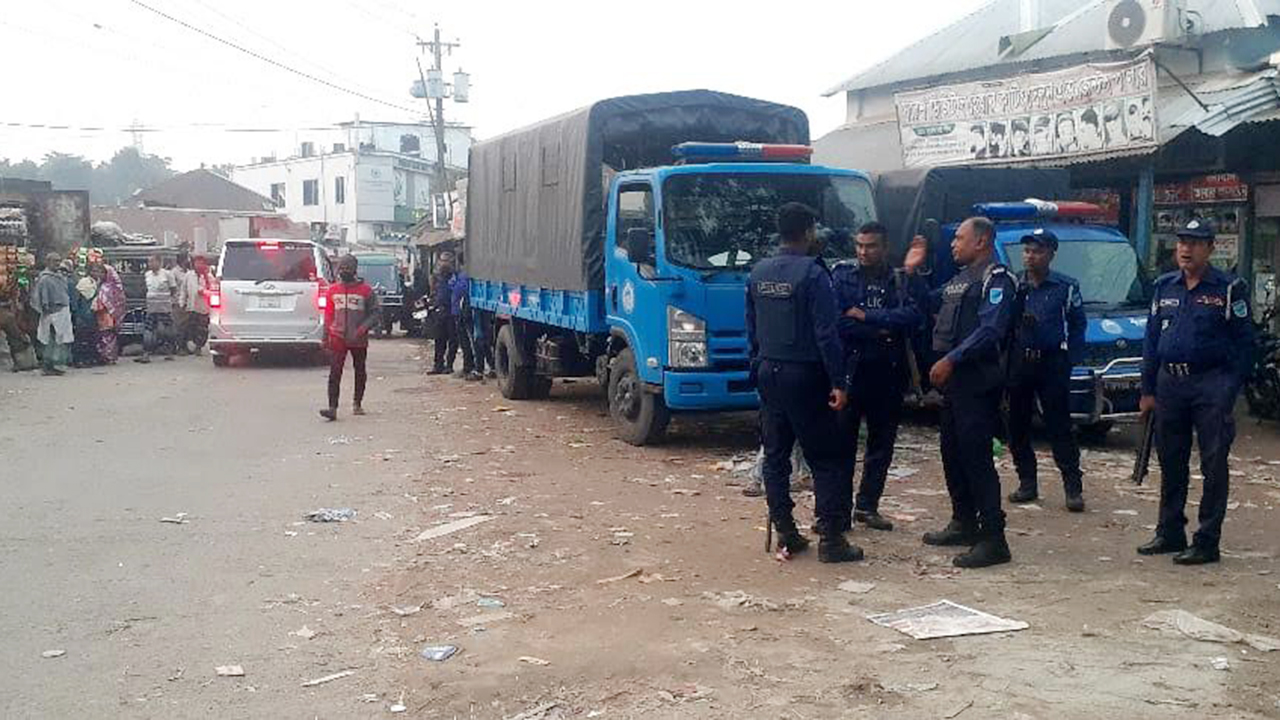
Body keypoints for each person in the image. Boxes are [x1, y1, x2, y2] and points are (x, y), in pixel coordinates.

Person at [746, 202, 862, 563]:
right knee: (825, 457)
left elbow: (751, 329)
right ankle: (831, 539)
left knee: (776, 457)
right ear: (809, 231)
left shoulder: (758, 272)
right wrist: (839, 382)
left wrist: (758, 366)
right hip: (805, 375)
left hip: (768, 371)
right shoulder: (814, 274)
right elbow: (827, 334)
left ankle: (786, 533)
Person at [1137, 219, 1255, 565]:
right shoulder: (1165, 287)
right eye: (1182, 242)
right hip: (1170, 383)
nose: (1186, 249)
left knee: (1213, 462)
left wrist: (1229, 388)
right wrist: (1147, 389)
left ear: (1210, 248)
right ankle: (1170, 530)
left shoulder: (1229, 288)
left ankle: (1206, 539)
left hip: (1211, 384)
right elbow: (1151, 341)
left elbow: (1245, 344)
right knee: (1170, 459)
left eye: (1195, 243)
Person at [910, 216, 1018, 568]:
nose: (953, 244)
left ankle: (993, 538)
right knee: (952, 454)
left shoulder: (997, 279)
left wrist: (952, 360)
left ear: (982, 241)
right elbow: (926, 303)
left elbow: (992, 329)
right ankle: (963, 522)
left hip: (978, 382)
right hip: (954, 385)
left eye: (959, 238)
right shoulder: (959, 280)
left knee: (977, 459)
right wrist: (914, 271)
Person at [831, 222, 926, 532]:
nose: (863, 251)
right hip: (850, 373)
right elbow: (838, 322)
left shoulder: (898, 279)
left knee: (881, 445)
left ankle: (867, 506)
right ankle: (838, 511)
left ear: (885, 247)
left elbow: (914, 317)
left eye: (870, 246)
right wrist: (884, 327)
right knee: (841, 446)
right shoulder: (842, 276)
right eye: (859, 245)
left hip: (888, 373)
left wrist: (868, 317)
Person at [1005, 229, 1087, 511]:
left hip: (1052, 362)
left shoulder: (1066, 286)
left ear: (1051, 254)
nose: (1030, 256)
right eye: (1027, 250)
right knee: (1016, 425)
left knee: (1059, 426)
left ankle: (1072, 487)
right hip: (1019, 362)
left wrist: (1070, 360)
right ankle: (1027, 482)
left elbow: (1078, 324)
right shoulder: (1014, 284)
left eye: (1037, 251)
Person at [319, 254, 381, 421]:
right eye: (342, 268)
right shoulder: (333, 290)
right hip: (337, 338)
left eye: (348, 268)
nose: (344, 271)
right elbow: (328, 315)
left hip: (358, 340)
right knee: (334, 373)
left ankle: (357, 403)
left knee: (360, 370)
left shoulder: (366, 291)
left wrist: (362, 329)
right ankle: (332, 407)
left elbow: (375, 314)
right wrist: (325, 336)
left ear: (355, 270)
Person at [31, 252, 74, 376]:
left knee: (61, 339)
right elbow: (41, 296)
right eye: (54, 261)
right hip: (51, 313)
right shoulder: (45, 278)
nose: (57, 263)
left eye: (58, 261)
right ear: (48, 262)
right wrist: (46, 309)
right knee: (50, 339)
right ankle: (48, 365)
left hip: (62, 312)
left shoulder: (59, 276)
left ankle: (58, 364)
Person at [137, 254, 177, 364]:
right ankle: (146, 354)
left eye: (152, 261)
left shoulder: (167, 274)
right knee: (149, 330)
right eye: (149, 262)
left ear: (159, 262)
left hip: (164, 307)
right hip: (151, 307)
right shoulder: (147, 275)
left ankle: (170, 352)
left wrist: (170, 301)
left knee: (167, 331)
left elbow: (173, 290)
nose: (150, 264)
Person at [428, 253, 457, 375]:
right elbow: (433, 293)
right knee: (439, 340)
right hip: (440, 311)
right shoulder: (436, 277)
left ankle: (449, 365)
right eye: (442, 260)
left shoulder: (455, 277)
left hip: (452, 312)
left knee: (453, 340)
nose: (444, 263)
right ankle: (438, 365)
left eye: (447, 261)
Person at [92, 263, 126, 364]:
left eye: (102, 272)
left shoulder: (112, 286)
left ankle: (109, 356)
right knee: (103, 336)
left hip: (109, 315)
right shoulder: (100, 285)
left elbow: (117, 301)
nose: (100, 274)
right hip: (101, 314)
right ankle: (104, 355)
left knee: (109, 336)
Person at [449, 259, 477, 380]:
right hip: (458, 311)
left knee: (466, 341)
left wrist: (453, 283)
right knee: (464, 341)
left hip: (463, 312)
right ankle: (469, 366)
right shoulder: (460, 275)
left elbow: (459, 289)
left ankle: (469, 367)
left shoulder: (464, 276)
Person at [183, 256, 214, 357]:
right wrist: (182, 303)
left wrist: (204, 292)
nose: (198, 265)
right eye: (197, 263)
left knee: (202, 329)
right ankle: (187, 346)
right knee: (190, 327)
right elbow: (183, 290)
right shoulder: (189, 275)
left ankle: (199, 347)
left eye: (201, 263)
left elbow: (213, 291)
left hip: (204, 308)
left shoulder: (209, 277)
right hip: (191, 306)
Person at [70, 265, 100, 367]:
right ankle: (78, 360)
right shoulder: (84, 282)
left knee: (91, 338)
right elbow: (76, 299)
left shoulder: (98, 283)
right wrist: (76, 313)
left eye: (98, 271)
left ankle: (90, 359)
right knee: (81, 338)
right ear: (89, 272)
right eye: (94, 271)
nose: (96, 273)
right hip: (82, 314)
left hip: (93, 315)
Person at [171, 255, 191, 355]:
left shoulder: (188, 272)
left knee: (187, 327)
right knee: (179, 326)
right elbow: (173, 289)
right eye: (186, 259)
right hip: (178, 303)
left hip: (188, 303)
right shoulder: (174, 272)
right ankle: (178, 347)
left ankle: (185, 346)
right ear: (182, 261)